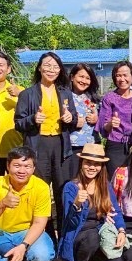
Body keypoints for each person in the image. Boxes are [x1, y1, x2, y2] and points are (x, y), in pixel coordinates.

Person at [13, 52, 84, 234]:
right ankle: (44, 235)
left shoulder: (65, 93)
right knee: (41, 192)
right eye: (47, 65)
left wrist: (71, 118)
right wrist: (33, 119)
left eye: (55, 66)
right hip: (38, 146)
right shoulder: (27, 94)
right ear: (39, 68)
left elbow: (75, 120)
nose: (51, 70)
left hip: (61, 146)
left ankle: (64, 234)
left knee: (63, 191)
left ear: (60, 70)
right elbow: (18, 123)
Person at [59, 143, 132, 261]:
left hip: (102, 231)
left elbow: (115, 210)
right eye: (88, 163)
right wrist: (77, 203)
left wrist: (121, 230)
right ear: (81, 163)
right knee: (93, 239)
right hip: (81, 235)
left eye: (97, 164)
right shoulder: (71, 187)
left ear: (101, 167)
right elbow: (69, 222)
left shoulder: (104, 185)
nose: (92, 167)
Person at [61, 64, 101, 187]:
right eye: (81, 77)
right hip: (73, 147)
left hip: (91, 146)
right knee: (73, 181)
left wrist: (96, 119)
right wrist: (73, 121)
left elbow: (100, 118)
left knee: (90, 183)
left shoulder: (90, 98)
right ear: (72, 77)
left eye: (88, 78)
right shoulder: (64, 96)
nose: (84, 81)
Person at [98, 60, 132, 167]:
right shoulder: (109, 98)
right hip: (115, 145)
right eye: (118, 76)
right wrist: (111, 123)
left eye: (125, 75)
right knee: (115, 179)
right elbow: (103, 126)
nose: (122, 79)